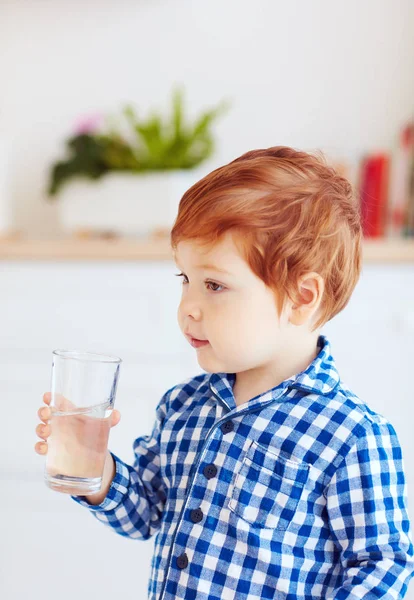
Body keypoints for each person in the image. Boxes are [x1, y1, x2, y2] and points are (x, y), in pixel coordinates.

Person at [35, 146, 414, 599]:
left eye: (214, 285)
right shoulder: (182, 407)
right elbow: (144, 514)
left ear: (302, 297)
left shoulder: (353, 437)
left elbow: (386, 567)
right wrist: (96, 470)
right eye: (185, 280)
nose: (187, 308)